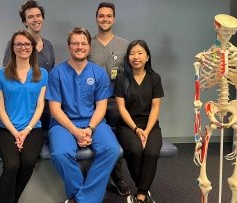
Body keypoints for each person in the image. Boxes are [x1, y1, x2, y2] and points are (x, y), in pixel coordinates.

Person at [45, 27, 120, 203]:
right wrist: (76, 131)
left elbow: (101, 106)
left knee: (112, 149)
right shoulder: (57, 73)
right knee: (60, 154)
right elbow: (55, 109)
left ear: (89, 46)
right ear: (69, 46)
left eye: (83, 43)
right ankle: (87, 198)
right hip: (63, 123)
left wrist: (90, 128)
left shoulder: (98, 72)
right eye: (75, 43)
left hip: (93, 122)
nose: (79, 46)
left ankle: (81, 199)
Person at [0, 30, 47, 203]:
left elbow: (40, 106)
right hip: (6, 129)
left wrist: (27, 130)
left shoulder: (42, 74)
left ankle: (10, 199)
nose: (23, 47)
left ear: (32, 47)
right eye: (19, 44)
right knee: (12, 164)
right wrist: (15, 132)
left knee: (28, 161)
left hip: (32, 129)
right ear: (13, 47)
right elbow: (0, 107)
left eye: (27, 44)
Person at [88, 2, 130, 196]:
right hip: (92, 103)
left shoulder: (124, 45)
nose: (104, 19)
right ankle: (93, 178)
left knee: (116, 139)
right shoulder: (88, 44)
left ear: (114, 19)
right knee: (91, 138)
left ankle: (118, 176)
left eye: (108, 16)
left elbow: (130, 73)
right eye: (101, 16)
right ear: (96, 18)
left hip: (116, 100)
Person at [114, 40, 163, 203]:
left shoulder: (155, 78)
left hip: (150, 125)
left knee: (151, 152)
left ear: (147, 57)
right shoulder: (121, 78)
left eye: (140, 53)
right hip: (128, 125)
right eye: (132, 53)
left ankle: (140, 195)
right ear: (128, 57)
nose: (136, 57)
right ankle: (144, 190)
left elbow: (155, 108)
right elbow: (121, 108)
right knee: (135, 150)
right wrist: (136, 130)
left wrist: (147, 131)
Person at [3, 0, 55, 131]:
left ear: (42, 18)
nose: (35, 19)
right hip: (22, 109)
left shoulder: (48, 45)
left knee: (42, 146)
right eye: (30, 17)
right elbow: (7, 76)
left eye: (38, 15)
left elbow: (50, 76)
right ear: (25, 22)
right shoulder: (14, 45)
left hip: (44, 107)